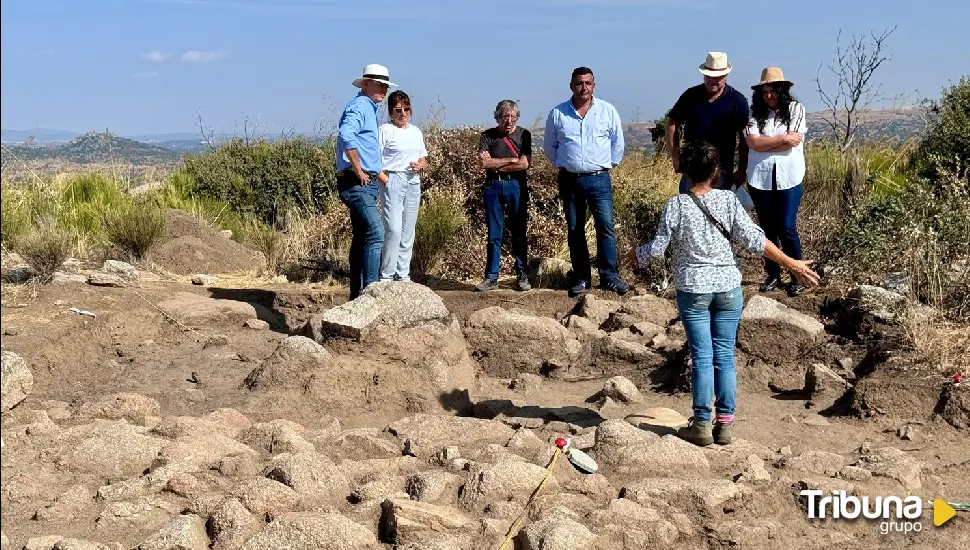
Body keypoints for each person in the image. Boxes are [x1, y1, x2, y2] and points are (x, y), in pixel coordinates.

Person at [633, 141, 819, 446]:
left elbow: (655, 251)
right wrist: (791, 264)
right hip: (728, 288)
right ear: (716, 172)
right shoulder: (729, 202)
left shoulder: (676, 205)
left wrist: (634, 255)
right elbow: (755, 240)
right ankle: (726, 424)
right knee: (724, 356)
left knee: (702, 356)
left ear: (686, 172)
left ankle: (702, 424)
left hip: (693, 288)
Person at [544, 67, 629, 298]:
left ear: (594, 85)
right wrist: (566, 164)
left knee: (606, 227)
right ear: (571, 86)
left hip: (599, 179)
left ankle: (609, 277)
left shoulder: (607, 111)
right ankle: (582, 277)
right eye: (579, 83)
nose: (584, 87)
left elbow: (617, 143)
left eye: (588, 83)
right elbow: (549, 147)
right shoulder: (558, 114)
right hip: (570, 180)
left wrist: (605, 164)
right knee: (575, 229)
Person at [745, 67, 809, 296]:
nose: (768, 96)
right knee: (767, 229)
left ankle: (798, 274)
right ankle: (772, 273)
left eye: (772, 91)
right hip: (760, 178)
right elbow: (752, 143)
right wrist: (781, 138)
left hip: (789, 177)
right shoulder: (754, 113)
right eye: (764, 92)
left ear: (781, 90)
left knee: (787, 226)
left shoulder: (796, 109)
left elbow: (794, 141)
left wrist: (766, 142)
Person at [336, 64, 395, 299]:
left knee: (362, 236)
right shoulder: (360, 107)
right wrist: (359, 169)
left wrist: (377, 175)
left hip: (363, 180)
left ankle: (357, 294)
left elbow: (363, 147)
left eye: (385, 86)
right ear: (366, 84)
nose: (384, 89)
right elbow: (346, 134)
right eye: (380, 84)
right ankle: (370, 293)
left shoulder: (368, 108)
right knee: (375, 233)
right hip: (356, 181)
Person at [666, 52, 750, 194]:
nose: (712, 81)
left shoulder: (737, 100)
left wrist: (742, 169)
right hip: (691, 170)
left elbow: (745, 137)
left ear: (726, 77)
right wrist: (676, 157)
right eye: (708, 76)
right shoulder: (690, 96)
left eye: (718, 77)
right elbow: (672, 124)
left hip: (722, 171)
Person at [476, 100, 532, 291]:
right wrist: (510, 160)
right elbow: (484, 164)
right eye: (504, 116)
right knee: (494, 233)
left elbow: (524, 164)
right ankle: (491, 277)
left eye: (512, 116)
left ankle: (522, 274)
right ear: (497, 117)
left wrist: (495, 162)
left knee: (519, 232)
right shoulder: (487, 136)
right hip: (493, 186)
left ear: (517, 117)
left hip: (516, 185)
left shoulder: (524, 135)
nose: (508, 120)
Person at [377, 90, 428, 282]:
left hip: (413, 181)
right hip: (394, 178)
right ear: (391, 112)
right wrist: (386, 180)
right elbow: (374, 160)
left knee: (408, 230)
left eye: (406, 109)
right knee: (394, 229)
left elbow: (423, 158)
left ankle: (403, 273)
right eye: (398, 110)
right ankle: (387, 275)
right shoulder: (385, 130)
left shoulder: (416, 132)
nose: (403, 113)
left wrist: (421, 165)